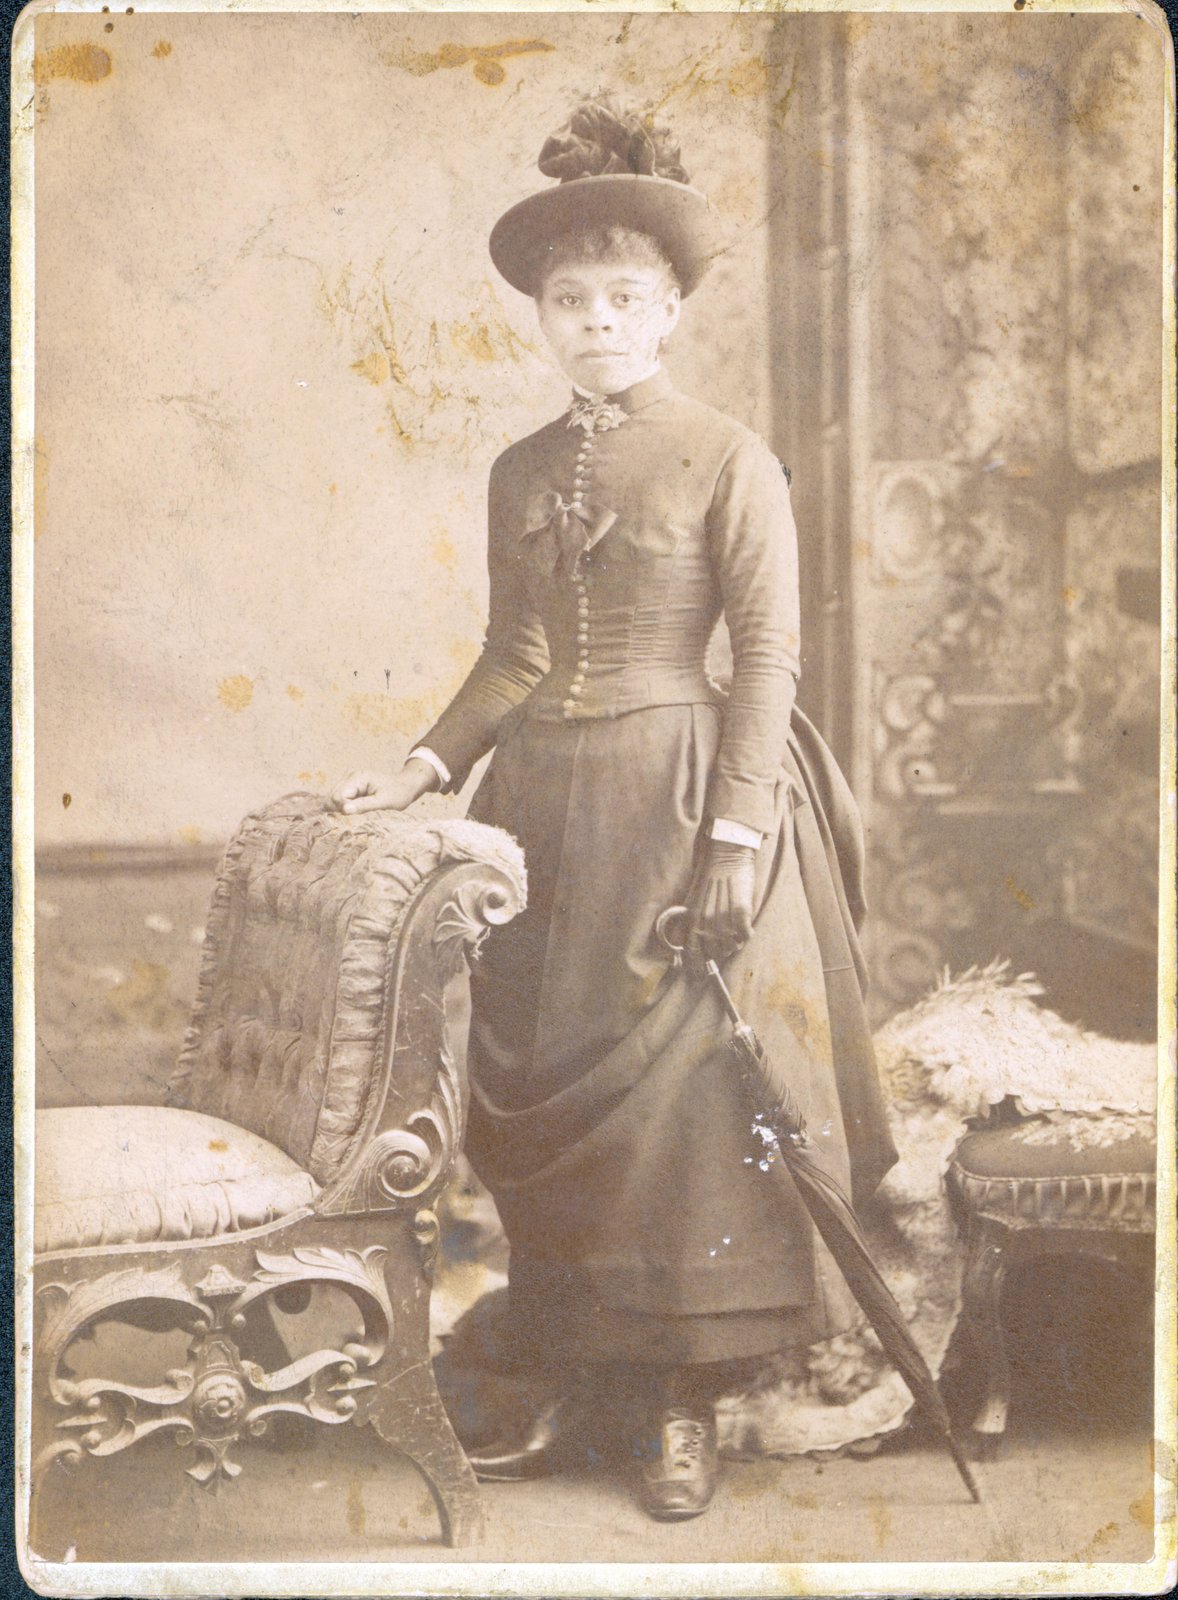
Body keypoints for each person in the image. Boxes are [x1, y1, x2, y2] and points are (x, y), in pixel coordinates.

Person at [333, 99, 896, 1522]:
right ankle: (592, 1374)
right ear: (541, 317)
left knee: (688, 1109)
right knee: (545, 1090)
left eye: (623, 300)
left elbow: (763, 655)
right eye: (570, 302)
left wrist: (737, 834)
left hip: (687, 794)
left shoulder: (724, 454)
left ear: (667, 314)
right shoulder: (519, 469)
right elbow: (513, 656)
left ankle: (683, 1409)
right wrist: (417, 770)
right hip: (543, 813)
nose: (596, 323)